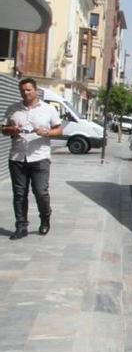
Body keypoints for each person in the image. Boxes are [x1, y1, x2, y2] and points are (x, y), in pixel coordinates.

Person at [1, 78, 63, 239]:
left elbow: (59, 130)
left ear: (35, 90)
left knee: (41, 192)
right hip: (17, 157)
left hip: (39, 157)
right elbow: (3, 129)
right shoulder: (13, 109)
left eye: (28, 90)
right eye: (22, 90)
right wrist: (11, 130)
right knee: (19, 194)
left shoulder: (48, 109)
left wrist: (47, 133)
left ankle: (45, 219)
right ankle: (21, 226)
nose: (25, 93)